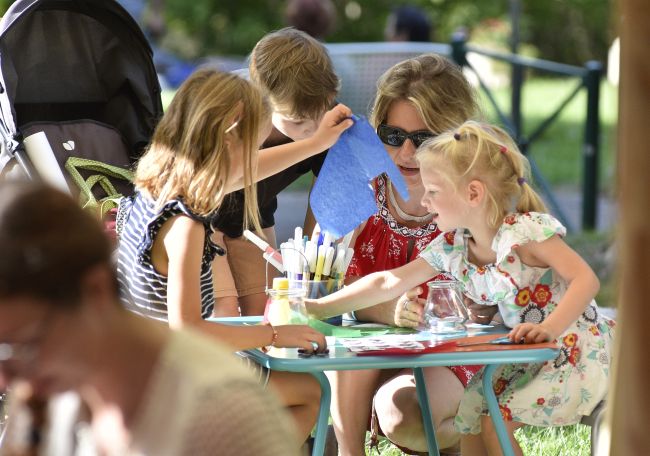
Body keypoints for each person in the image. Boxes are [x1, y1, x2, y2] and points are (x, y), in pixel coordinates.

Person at [307, 120, 615, 455]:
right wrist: (318, 308)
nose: (424, 202)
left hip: (574, 354)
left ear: (473, 194)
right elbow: (388, 281)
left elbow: (586, 279)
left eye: (434, 192)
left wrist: (547, 328)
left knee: (492, 420)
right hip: (527, 357)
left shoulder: (524, 233)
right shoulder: (455, 245)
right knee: (471, 417)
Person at [116, 68, 352, 443]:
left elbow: (243, 173)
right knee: (311, 392)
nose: (255, 160)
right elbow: (188, 328)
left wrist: (315, 143)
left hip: (137, 366)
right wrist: (275, 333)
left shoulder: (159, 184)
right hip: (169, 383)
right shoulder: (187, 226)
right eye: (254, 146)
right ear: (228, 139)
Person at [0, 181, 301, 456]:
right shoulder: (47, 394)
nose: (4, 380)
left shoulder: (219, 414)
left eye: (23, 344)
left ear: (95, 291)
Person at [327, 54, 481, 455]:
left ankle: (467, 437)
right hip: (367, 353)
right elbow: (324, 283)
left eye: (424, 139)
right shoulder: (357, 182)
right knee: (353, 352)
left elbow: (493, 301)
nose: (406, 153)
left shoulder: (476, 195)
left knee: (406, 416)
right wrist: (389, 310)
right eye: (392, 136)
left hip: (450, 354)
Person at [211, 27, 340, 317]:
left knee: (271, 311)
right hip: (202, 216)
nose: (311, 129)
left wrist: (308, 264)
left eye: (320, 115)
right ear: (261, 102)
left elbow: (321, 204)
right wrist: (314, 144)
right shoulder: (230, 110)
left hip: (255, 218)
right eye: (297, 122)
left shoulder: (323, 116)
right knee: (225, 308)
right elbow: (225, 177)